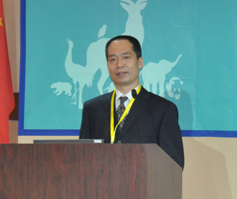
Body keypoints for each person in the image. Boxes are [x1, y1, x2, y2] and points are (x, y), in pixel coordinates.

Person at [79, 35, 185, 169]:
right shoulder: (92, 108)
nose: (119, 65)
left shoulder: (163, 109)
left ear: (140, 62)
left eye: (126, 57)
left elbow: (173, 164)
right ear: (107, 66)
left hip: (144, 182)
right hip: (102, 182)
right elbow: (82, 157)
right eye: (113, 59)